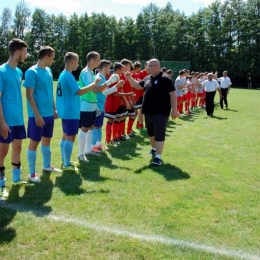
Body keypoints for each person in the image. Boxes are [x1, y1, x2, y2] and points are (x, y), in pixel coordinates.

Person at [125, 59, 178, 166]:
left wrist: (175, 110)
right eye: (148, 66)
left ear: (157, 66)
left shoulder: (165, 79)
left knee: (159, 133)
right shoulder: (147, 78)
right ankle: (154, 149)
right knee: (151, 133)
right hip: (148, 112)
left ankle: (158, 157)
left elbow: (173, 94)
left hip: (161, 112)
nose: (148, 68)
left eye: (150, 66)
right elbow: (138, 86)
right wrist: (129, 78)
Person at [24, 46, 61, 183]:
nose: (53, 60)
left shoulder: (49, 71)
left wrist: (54, 108)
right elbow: (29, 95)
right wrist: (37, 115)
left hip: (49, 114)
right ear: (46, 57)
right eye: (52, 57)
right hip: (37, 116)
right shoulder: (31, 72)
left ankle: (46, 166)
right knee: (34, 143)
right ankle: (32, 174)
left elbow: (49, 92)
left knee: (47, 141)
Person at [77, 51, 120, 162]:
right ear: (92, 60)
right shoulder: (86, 72)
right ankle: (81, 154)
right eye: (98, 59)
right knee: (84, 129)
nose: (99, 62)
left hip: (92, 105)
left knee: (90, 128)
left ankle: (88, 150)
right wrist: (110, 82)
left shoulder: (90, 73)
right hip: (86, 104)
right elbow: (95, 90)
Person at [0, 38, 28, 199]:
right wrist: (2, 122)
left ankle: (16, 179)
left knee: (17, 148)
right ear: (17, 53)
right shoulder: (1, 71)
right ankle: (1, 185)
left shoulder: (18, 72)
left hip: (18, 119)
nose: (26, 55)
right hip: (5, 121)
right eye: (24, 52)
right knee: (2, 152)